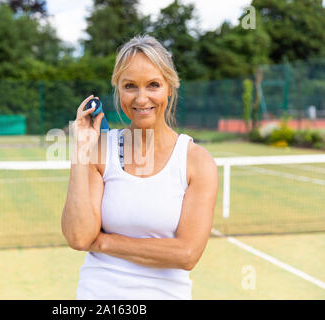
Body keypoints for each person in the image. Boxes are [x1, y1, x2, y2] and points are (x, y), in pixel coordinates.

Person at [61, 35, 218, 300]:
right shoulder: (100, 150)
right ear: (118, 91)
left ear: (169, 87)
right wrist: (81, 153)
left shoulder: (197, 162)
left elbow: (187, 254)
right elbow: (78, 237)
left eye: (153, 85)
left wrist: (103, 242)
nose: (141, 98)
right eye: (130, 86)